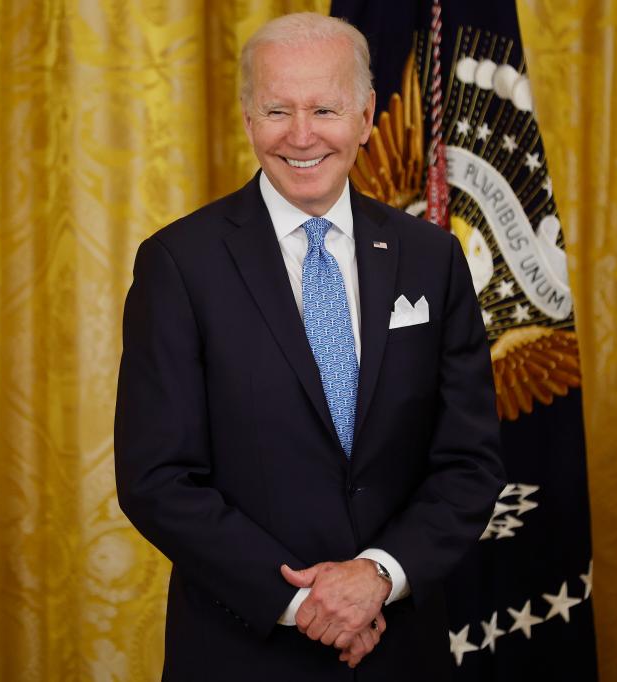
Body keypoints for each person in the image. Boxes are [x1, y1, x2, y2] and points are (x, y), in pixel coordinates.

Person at [114, 12, 504, 681]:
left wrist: (378, 577)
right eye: (277, 110)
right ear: (246, 117)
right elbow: (157, 478)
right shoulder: (179, 263)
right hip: (241, 651)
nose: (301, 136)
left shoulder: (431, 260)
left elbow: (468, 460)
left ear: (364, 116)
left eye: (324, 108)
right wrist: (305, 603)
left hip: (399, 650)